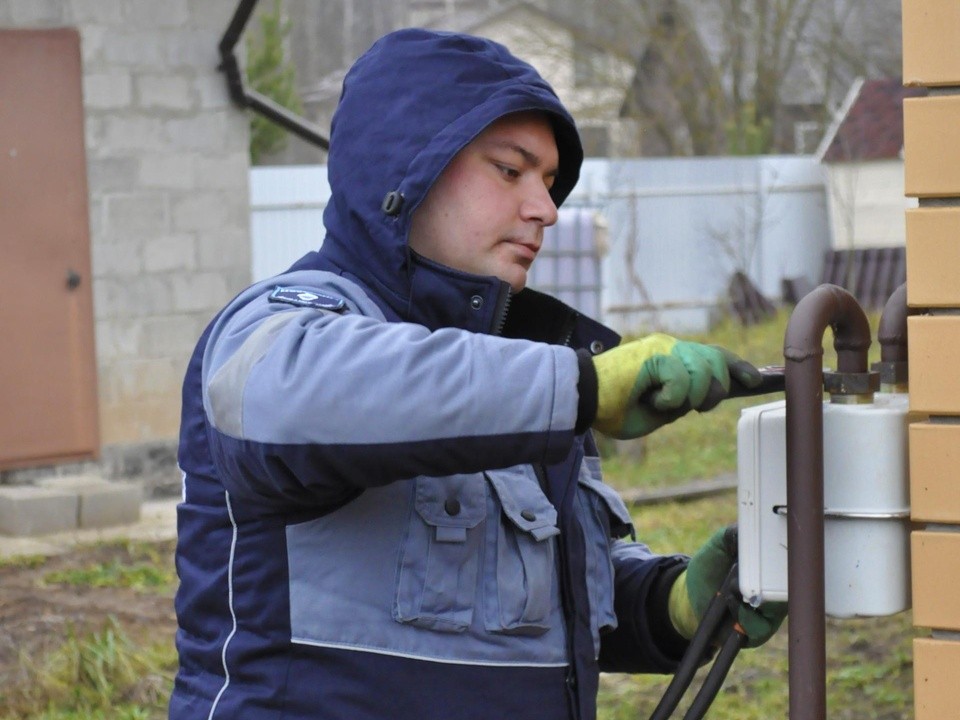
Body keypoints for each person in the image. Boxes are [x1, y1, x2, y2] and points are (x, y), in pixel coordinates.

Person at [169, 28, 786, 720]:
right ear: (408, 171)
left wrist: (676, 605)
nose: (545, 210)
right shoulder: (282, 326)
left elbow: (540, 602)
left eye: (549, 183)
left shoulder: (523, 372)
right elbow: (288, 402)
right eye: (510, 170)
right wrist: (582, 387)